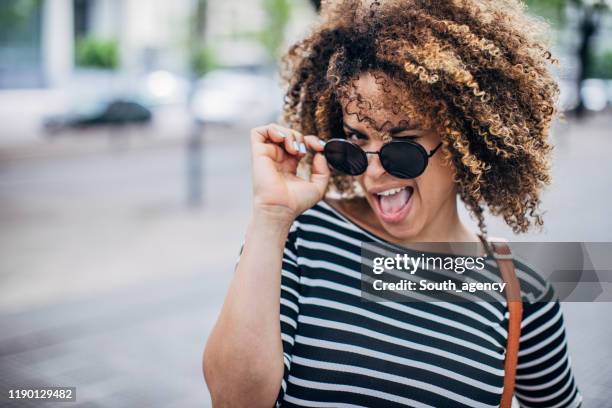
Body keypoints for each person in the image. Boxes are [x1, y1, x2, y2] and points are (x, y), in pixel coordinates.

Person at [203, 0, 582, 407]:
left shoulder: (523, 286)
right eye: (356, 140)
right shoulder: (299, 234)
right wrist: (270, 217)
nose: (372, 173)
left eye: (402, 146)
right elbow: (233, 400)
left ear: (462, 142)